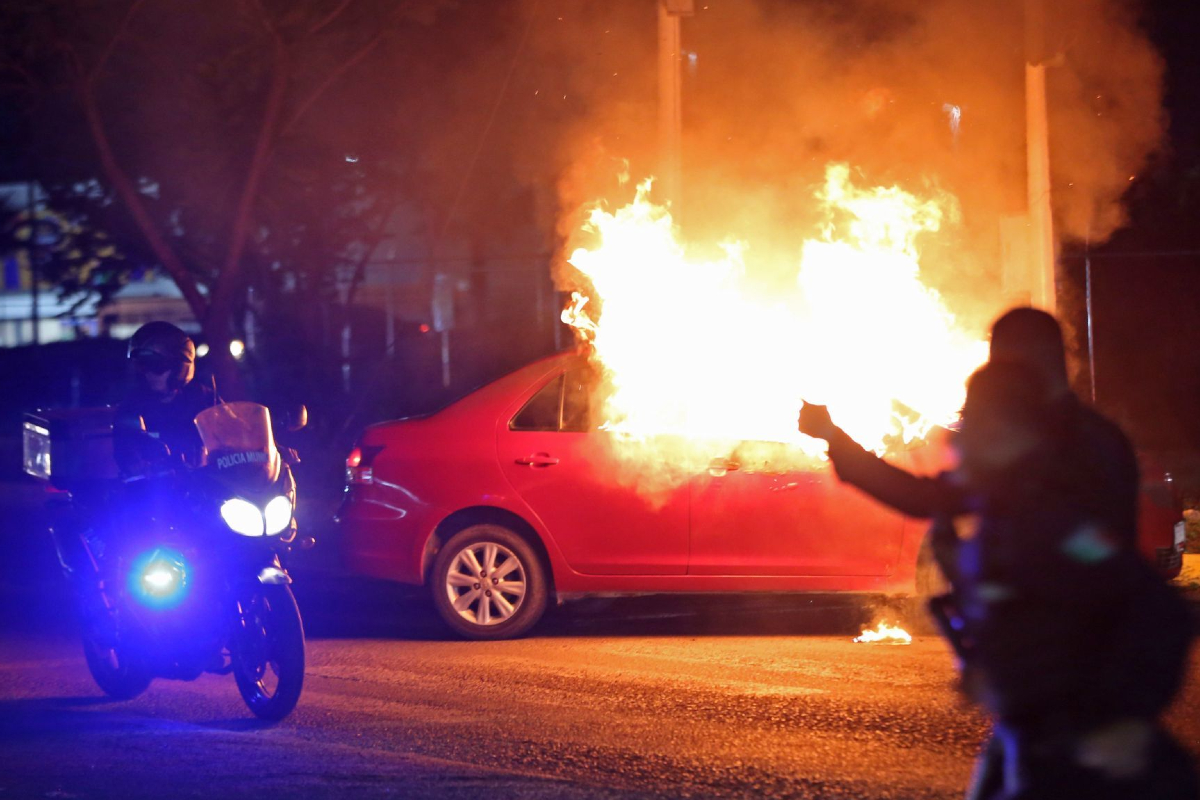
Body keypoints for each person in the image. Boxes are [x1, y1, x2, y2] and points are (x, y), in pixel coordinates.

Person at [800, 365, 1195, 799]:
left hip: (1084, 750)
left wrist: (1116, 718)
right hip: (1021, 733)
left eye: (976, 424)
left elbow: (1161, 610)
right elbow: (913, 495)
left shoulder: (1064, 525)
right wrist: (833, 437)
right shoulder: (991, 494)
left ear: (1012, 432)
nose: (959, 440)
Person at [113, 321, 216, 477]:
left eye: (156, 365)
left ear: (179, 367)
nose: (149, 373)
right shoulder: (132, 406)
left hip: (204, 490)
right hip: (154, 491)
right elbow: (126, 450)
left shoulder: (205, 399)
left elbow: (233, 440)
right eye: (142, 366)